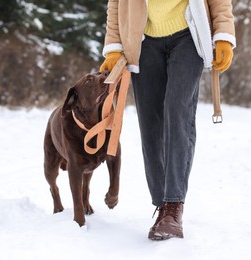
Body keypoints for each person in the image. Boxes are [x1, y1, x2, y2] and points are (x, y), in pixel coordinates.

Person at [100, 0, 236, 240]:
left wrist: (223, 34)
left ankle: (173, 207)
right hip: (142, 40)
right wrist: (113, 47)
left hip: (188, 35)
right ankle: (162, 203)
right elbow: (115, 5)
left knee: (177, 111)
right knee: (150, 124)